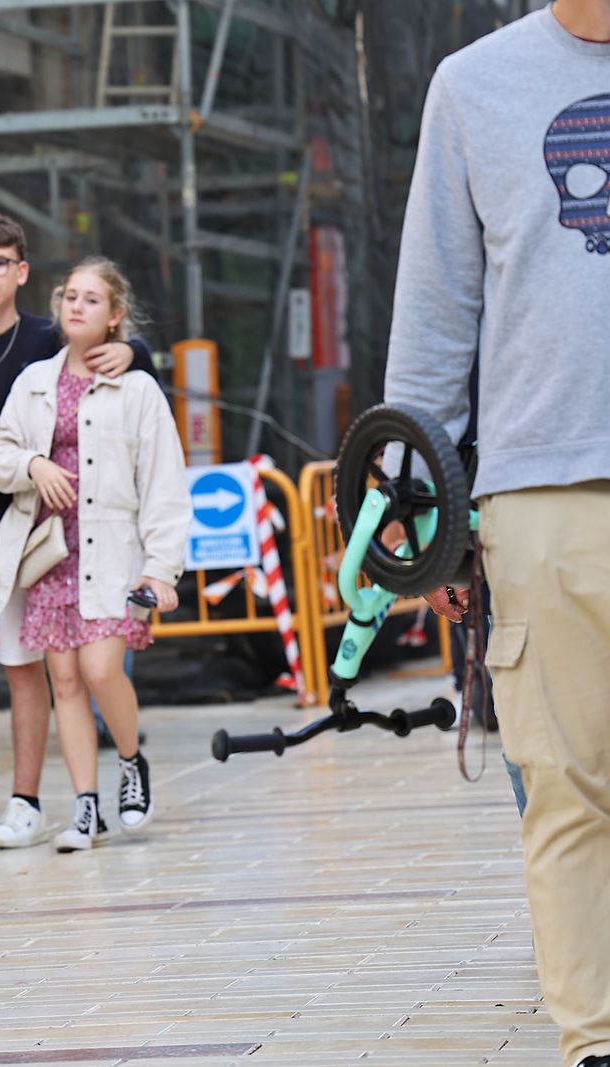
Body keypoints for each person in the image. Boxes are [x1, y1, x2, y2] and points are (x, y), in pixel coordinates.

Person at [380, 4, 609, 1064]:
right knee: (564, 786)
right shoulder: (474, 85)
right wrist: (423, 514)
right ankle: (593, 1038)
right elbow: (434, 314)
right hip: (539, 492)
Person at [0, 212, 157, 851]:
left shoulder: (51, 336)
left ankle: (26, 802)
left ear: (20, 271)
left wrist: (133, 351)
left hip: (32, 537)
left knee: (25, 666)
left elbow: (130, 361)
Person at [0, 258, 189, 851]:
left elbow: (164, 483)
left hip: (116, 554)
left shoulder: (139, 389)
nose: (76, 306)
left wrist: (161, 569)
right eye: (70, 296)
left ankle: (130, 761)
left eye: (92, 299)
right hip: (51, 553)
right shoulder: (34, 382)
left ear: (115, 315)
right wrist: (34, 464)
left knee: (102, 670)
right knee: (67, 680)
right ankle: (85, 809)